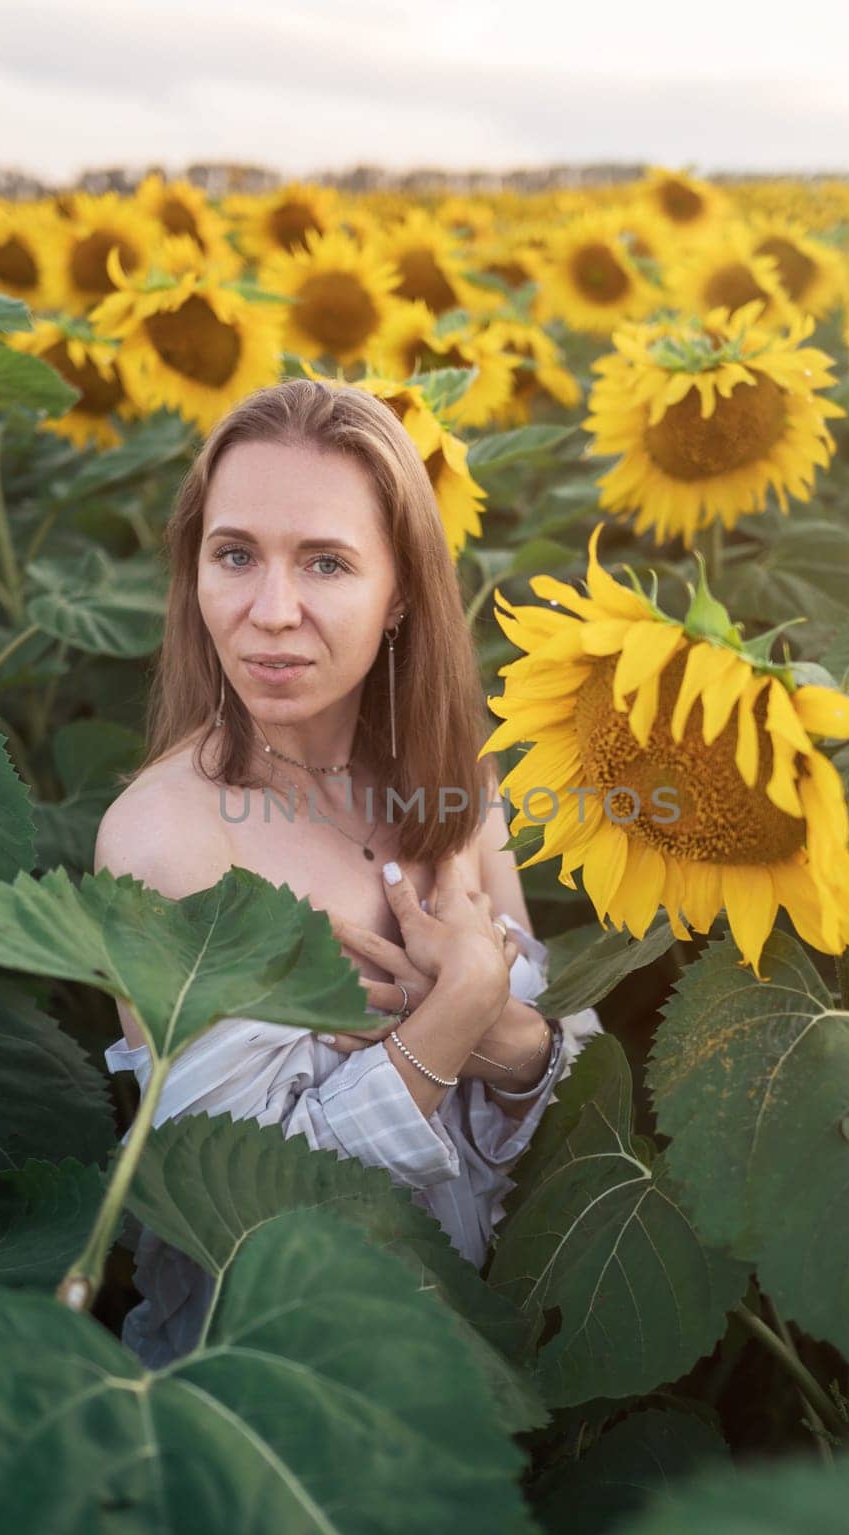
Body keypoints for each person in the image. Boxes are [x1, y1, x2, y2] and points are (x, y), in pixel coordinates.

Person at [94, 378, 602, 1368]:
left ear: (400, 589)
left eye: (325, 562)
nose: (269, 611)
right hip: (270, 1400)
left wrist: (500, 1030)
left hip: (475, 1370)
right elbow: (244, 1218)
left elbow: (545, 1119)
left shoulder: (457, 785)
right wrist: (449, 1021)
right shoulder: (168, 842)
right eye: (234, 554)